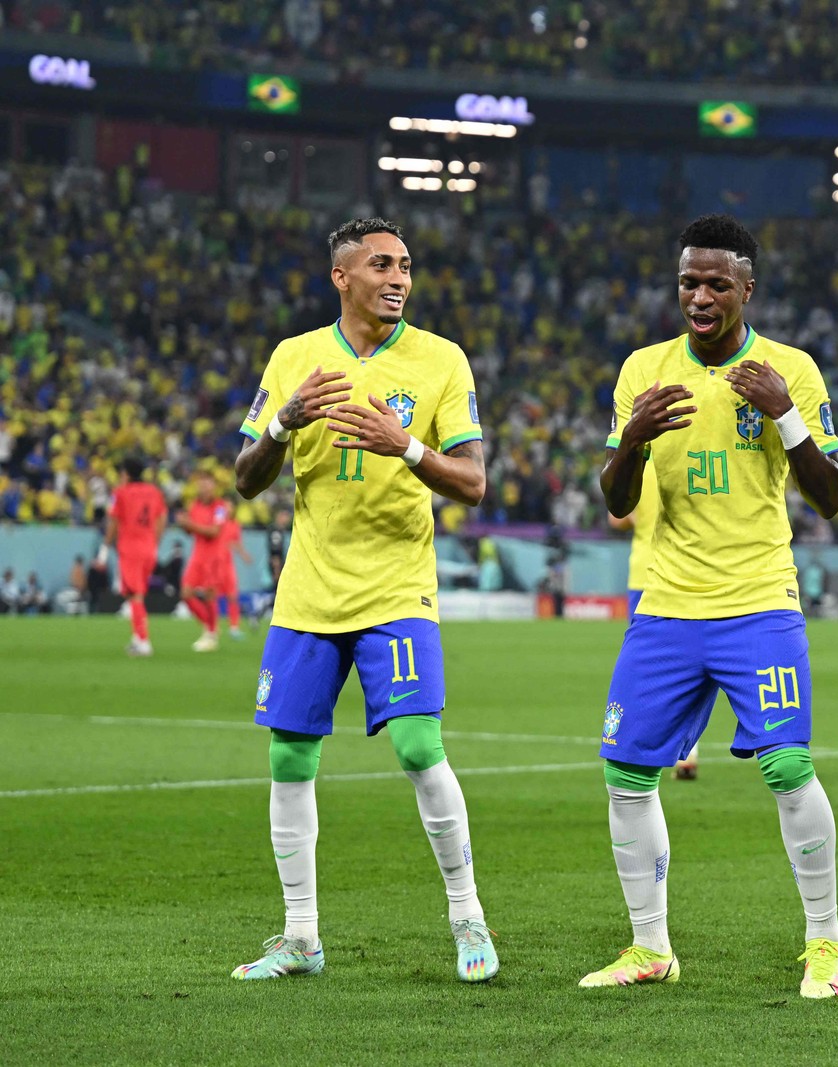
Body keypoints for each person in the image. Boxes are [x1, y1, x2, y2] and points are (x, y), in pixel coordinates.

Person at [585, 214, 838, 998]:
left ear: (747, 290)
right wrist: (628, 440)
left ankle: (825, 942)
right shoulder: (643, 368)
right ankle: (649, 946)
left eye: (717, 284)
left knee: (787, 764)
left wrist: (785, 413)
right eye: (689, 282)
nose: (700, 296)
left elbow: (831, 497)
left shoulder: (788, 368)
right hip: (667, 603)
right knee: (626, 771)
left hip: (758, 601)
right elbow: (615, 500)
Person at [230, 217, 497, 984]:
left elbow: (474, 484)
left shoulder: (440, 360)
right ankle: (301, 935)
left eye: (407, 265)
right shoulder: (295, 358)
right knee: (289, 755)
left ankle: (467, 914)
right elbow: (247, 477)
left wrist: (405, 446)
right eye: (381, 264)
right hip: (310, 589)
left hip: (396, 586)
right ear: (341, 276)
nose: (398, 277)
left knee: (418, 745)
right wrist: (284, 420)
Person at [607, 459, 698, 779]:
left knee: (652, 666)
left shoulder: (637, 467)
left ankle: (649, 743)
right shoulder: (682, 460)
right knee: (690, 660)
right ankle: (690, 751)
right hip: (682, 571)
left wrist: (638, 518)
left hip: (643, 573)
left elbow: (615, 517)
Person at [105, 456, 167, 655]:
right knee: (133, 594)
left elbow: (113, 522)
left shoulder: (120, 493)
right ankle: (136, 637)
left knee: (136, 594)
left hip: (130, 548)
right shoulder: (154, 492)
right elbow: (162, 519)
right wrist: (154, 543)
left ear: (126, 473)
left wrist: (104, 548)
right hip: (148, 547)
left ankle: (143, 641)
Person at [176, 470, 230, 652]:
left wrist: (190, 525)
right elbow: (191, 531)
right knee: (185, 593)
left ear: (213, 487)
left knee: (209, 596)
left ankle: (211, 635)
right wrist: (184, 524)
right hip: (197, 555)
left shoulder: (220, 507)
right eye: (201, 484)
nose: (204, 488)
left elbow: (214, 532)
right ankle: (209, 628)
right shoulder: (195, 505)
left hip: (213, 557)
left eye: (207, 484)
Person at [217, 512, 254, 638]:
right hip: (215, 563)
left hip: (227, 564)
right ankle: (212, 627)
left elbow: (236, 543)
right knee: (212, 595)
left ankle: (234, 627)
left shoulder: (235, 525)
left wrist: (244, 555)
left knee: (232, 596)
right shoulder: (218, 523)